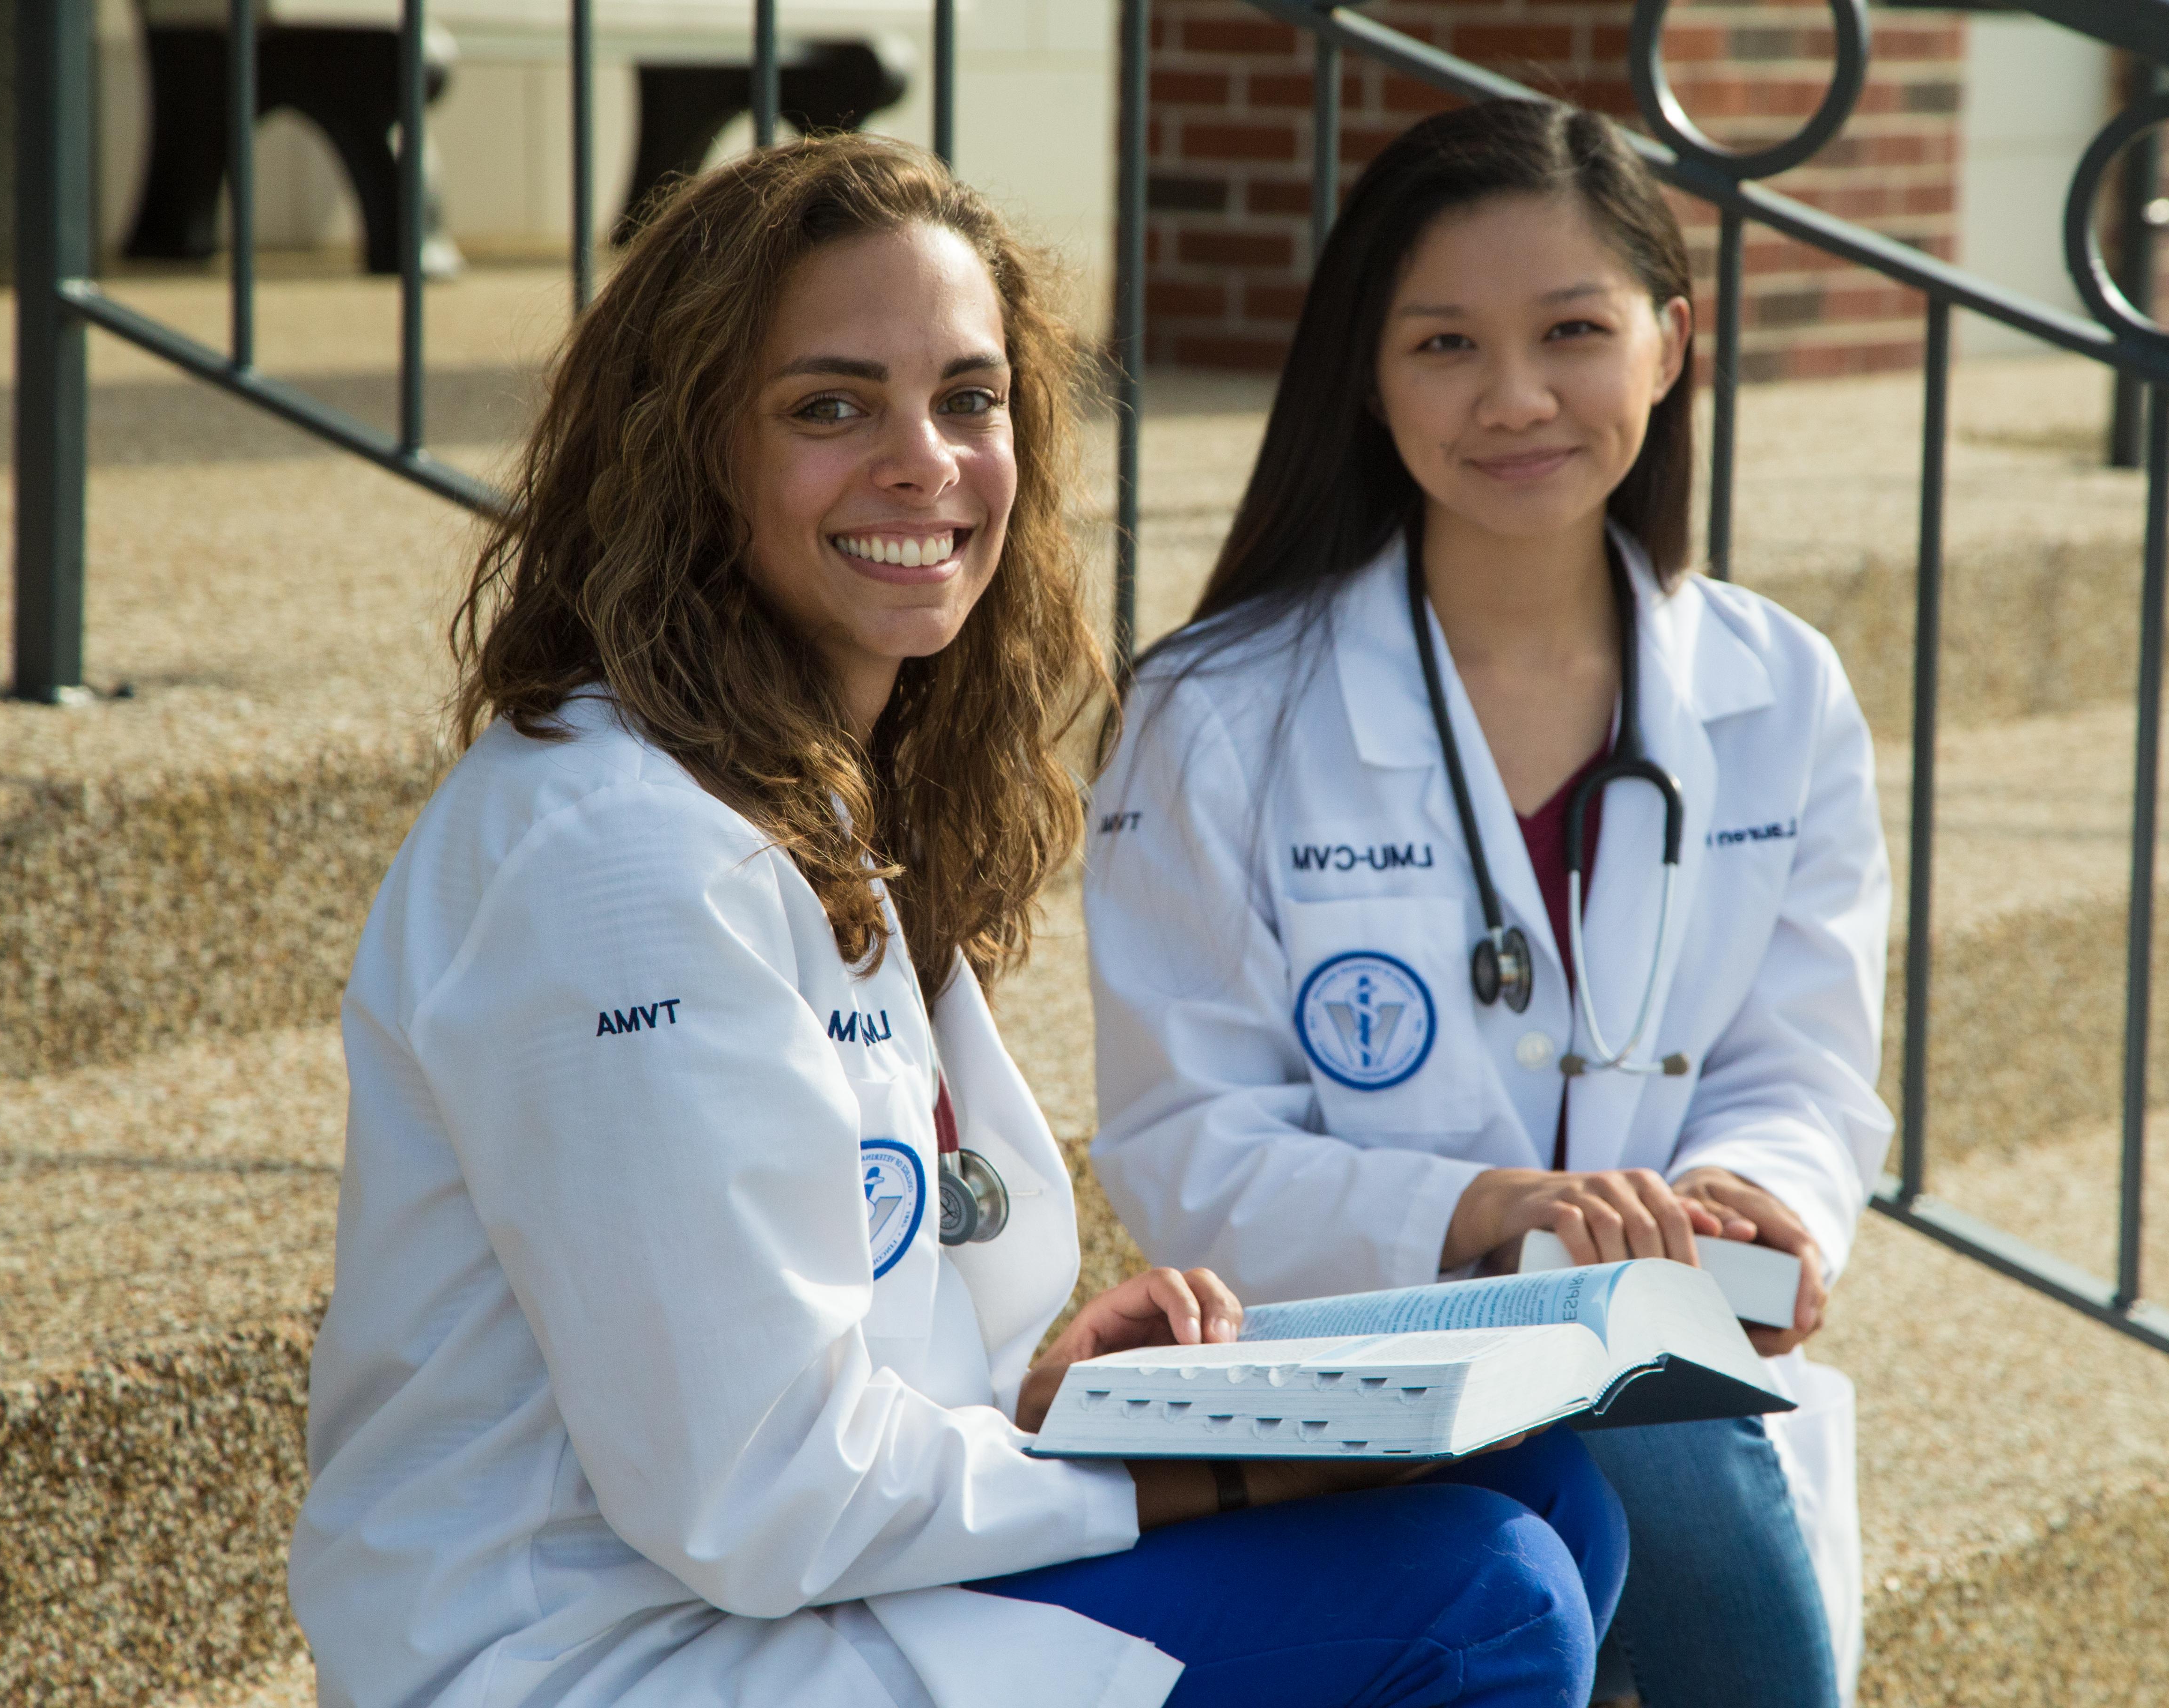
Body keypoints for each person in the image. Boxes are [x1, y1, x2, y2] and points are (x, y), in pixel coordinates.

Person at [290, 133, 1628, 1708]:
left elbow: (848, 1349)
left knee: (1555, 1498)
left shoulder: (815, 790)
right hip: (604, 1654)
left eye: (970, 398)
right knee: (1479, 1597)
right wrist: (1226, 1479)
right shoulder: (619, 858)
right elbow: (759, 1494)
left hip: (800, 1596)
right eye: (830, 405)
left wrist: (1053, 1403)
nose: (924, 461)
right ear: (685, 449)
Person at [1084, 101, 1890, 1708]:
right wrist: (1486, 1215)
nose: (1515, 398)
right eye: (1445, 343)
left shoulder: (1776, 689)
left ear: (1670, 345)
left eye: (1573, 333)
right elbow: (1187, 1147)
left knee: (1657, 1373)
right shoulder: (1217, 712)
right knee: (1637, 1399)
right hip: (1368, 1371)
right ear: (1368, 379)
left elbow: (1803, 1066)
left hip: (1682, 1363)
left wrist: (1746, 1200)